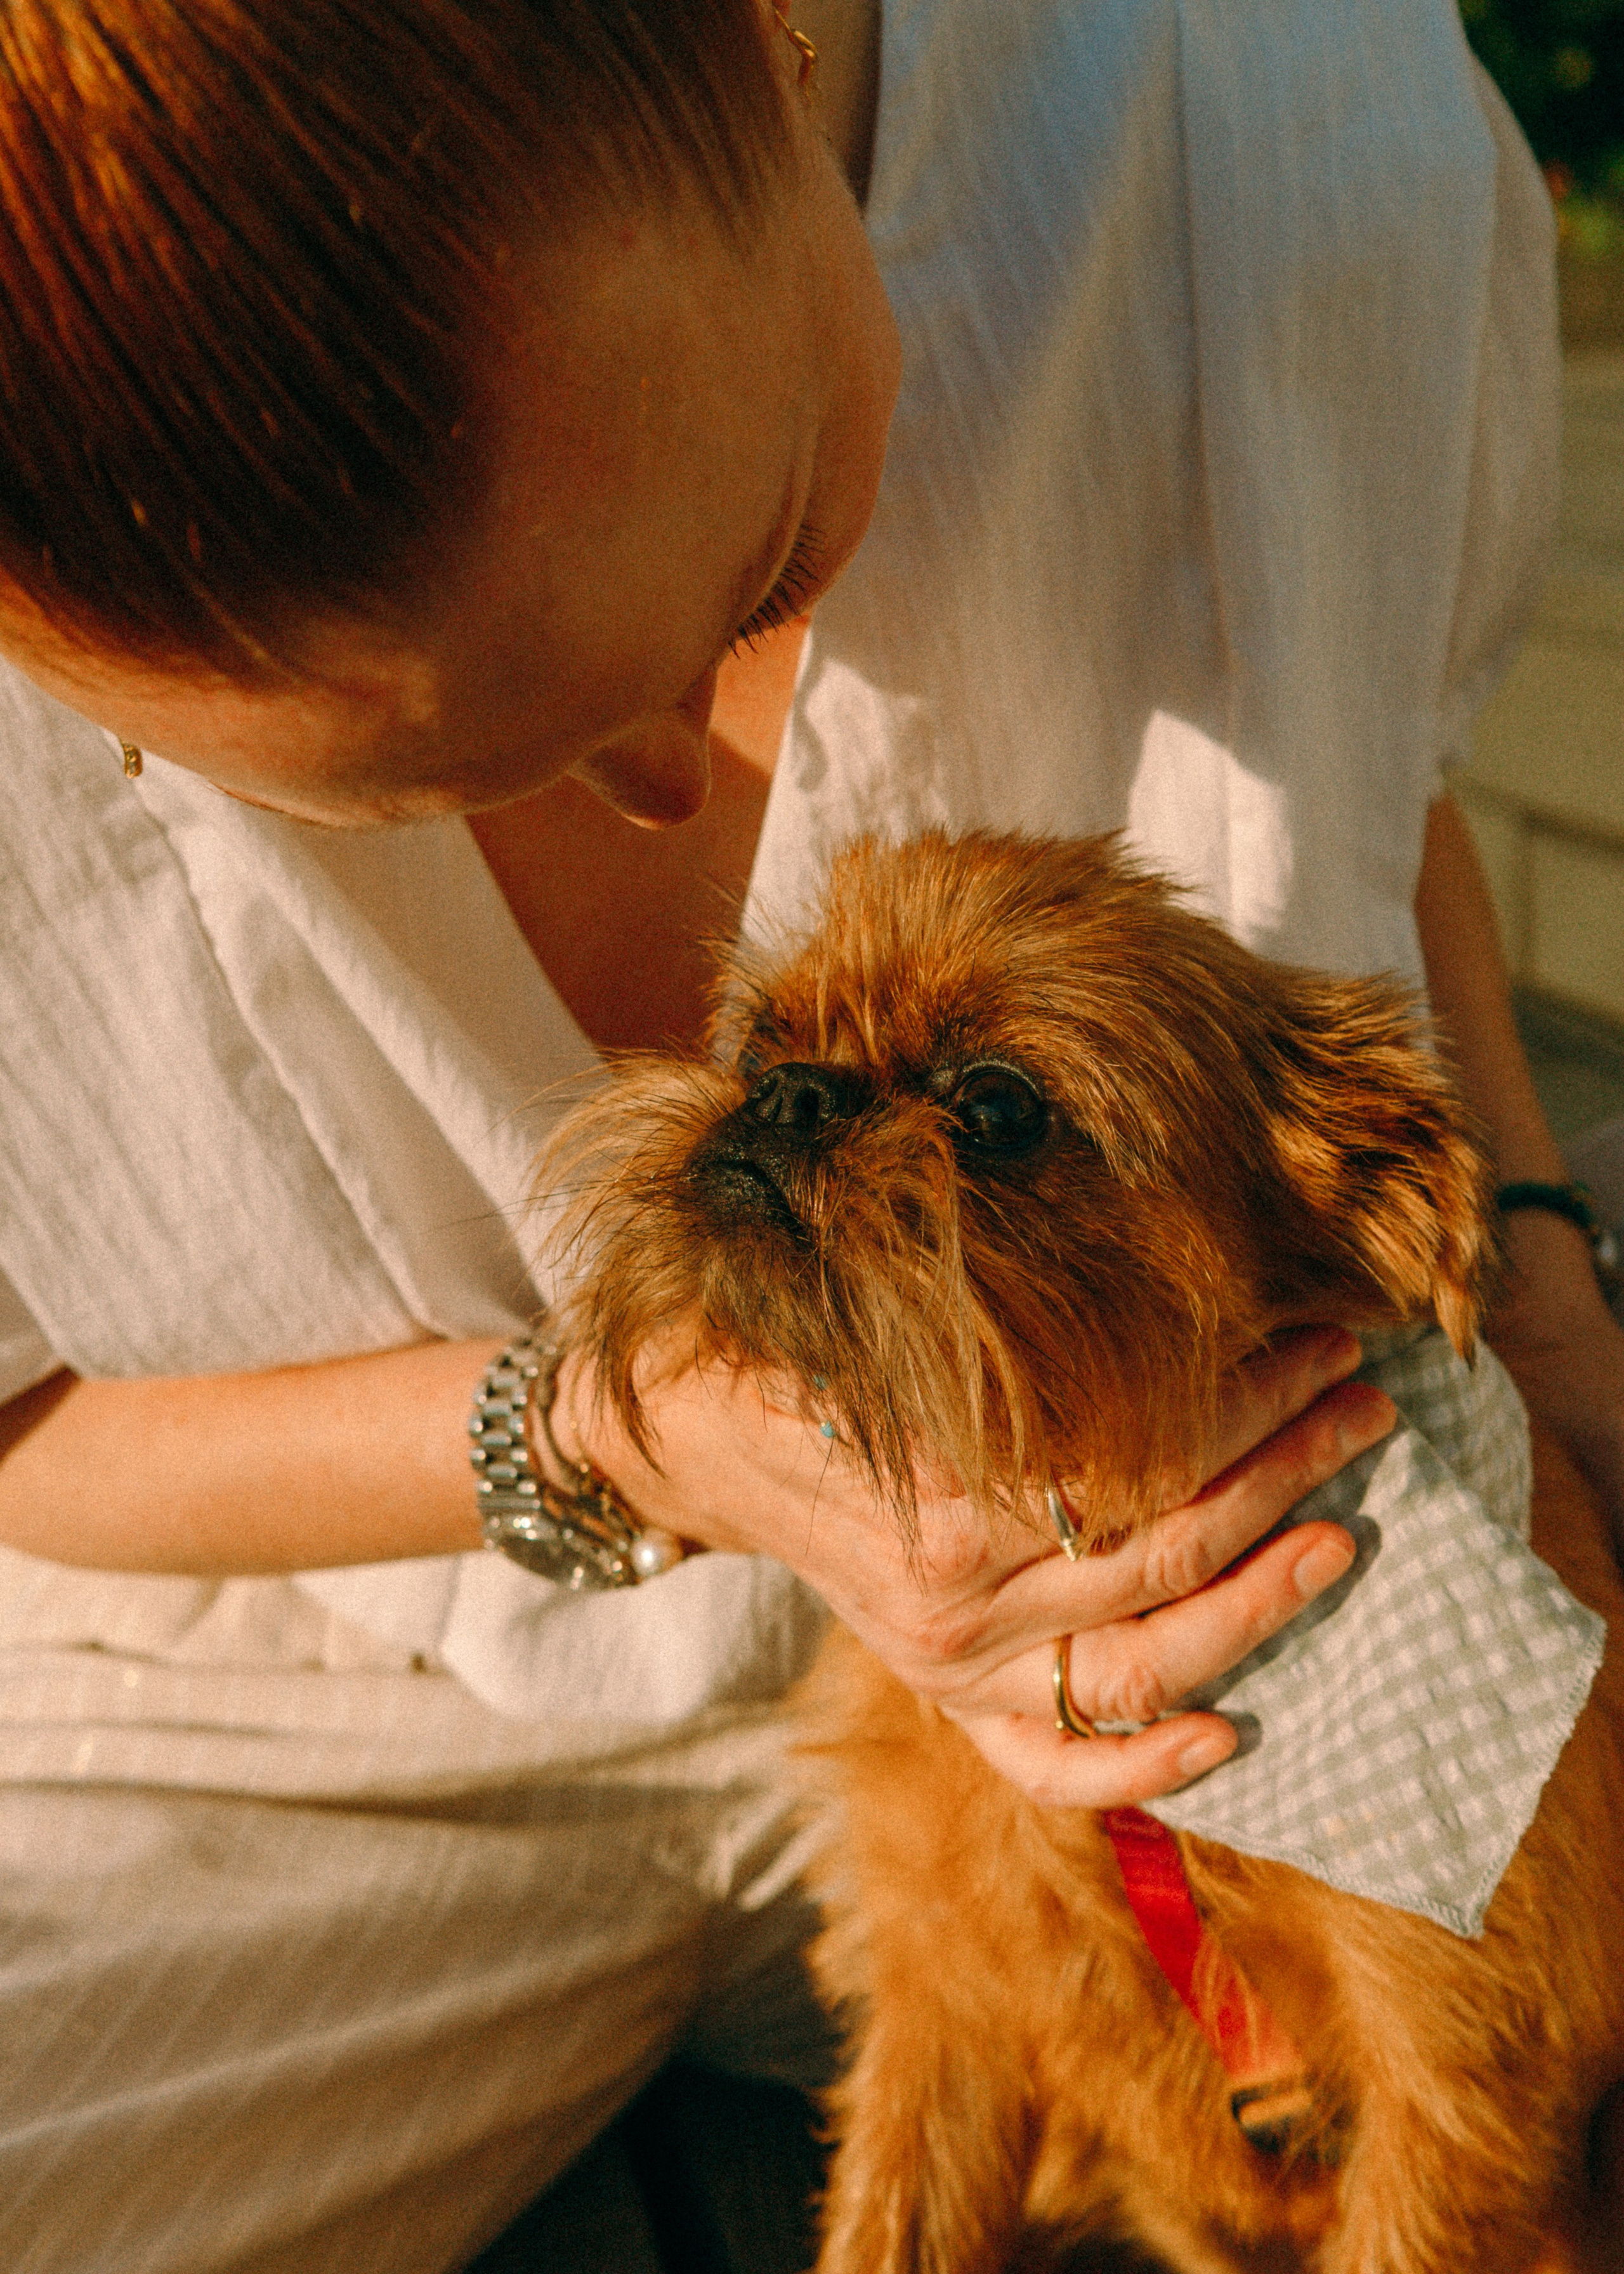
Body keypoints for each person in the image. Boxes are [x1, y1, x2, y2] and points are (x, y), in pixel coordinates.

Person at [0, 3, 1614, 2268]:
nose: (680, 792)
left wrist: (1533, 1253)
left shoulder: (1270, 110)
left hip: (1273, 1577)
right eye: (407, 791)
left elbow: (1357, 739)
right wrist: (609, 1437)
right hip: (323, 1701)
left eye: (759, 565)